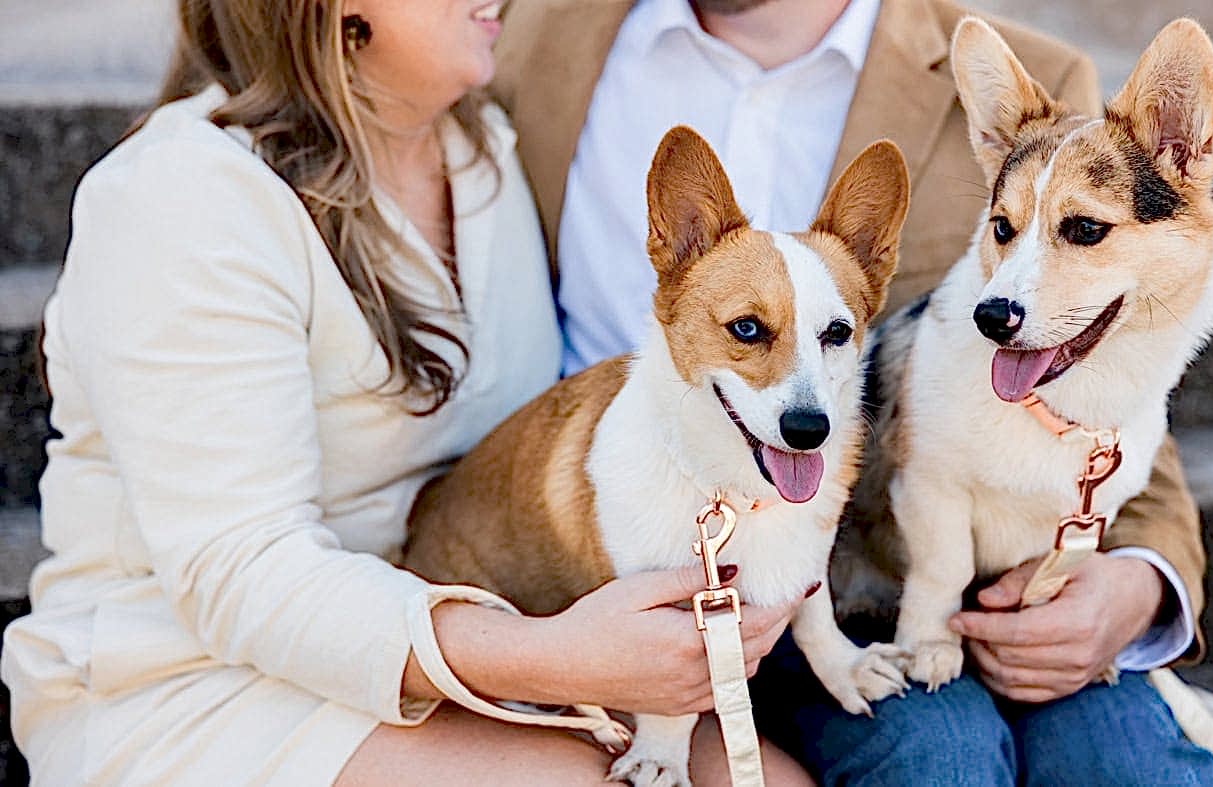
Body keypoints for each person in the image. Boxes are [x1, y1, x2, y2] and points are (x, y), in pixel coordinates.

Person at [0, 1, 813, 784]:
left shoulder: (482, 148)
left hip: (461, 631)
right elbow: (242, 571)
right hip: (198, 682)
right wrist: (552, 653)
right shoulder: (181, 195)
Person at [489, 0, 1213, 783]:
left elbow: (1123, 385)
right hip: (646, 556)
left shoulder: (1034, 85)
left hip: (949, 576)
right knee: (940, 756)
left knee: (1131, 762)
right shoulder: (522, 37)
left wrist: (1140, 585)